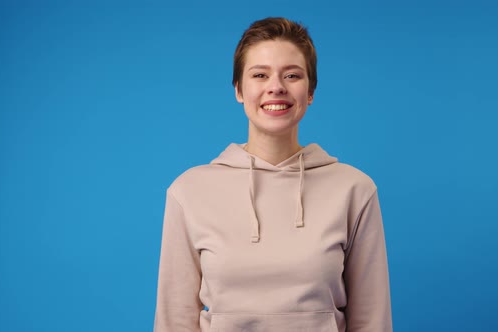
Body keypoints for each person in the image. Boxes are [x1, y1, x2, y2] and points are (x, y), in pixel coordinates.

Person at [154, 17, 392, 332]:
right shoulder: (189, 192)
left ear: (310, 92)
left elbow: (371, 322)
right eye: (260, 75)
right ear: (239, 89)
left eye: (292, 75)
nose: (276, 87)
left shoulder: (355, 189)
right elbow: (175, 322)